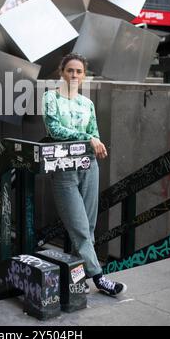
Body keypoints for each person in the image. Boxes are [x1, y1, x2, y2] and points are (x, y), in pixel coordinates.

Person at [42, 53, 127, 297]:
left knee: (88, 228)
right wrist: (88, 139)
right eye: (70, 70)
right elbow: (55, 130)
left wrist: (93, 139)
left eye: (79, 72)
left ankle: (76, 282)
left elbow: (95, 134)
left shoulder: (86, 104)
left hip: (89, 167)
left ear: (84, 75)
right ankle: (100, 279)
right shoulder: (51, 98)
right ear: (62, 72)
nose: (74, 75)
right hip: (65, 170)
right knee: (79, 228)